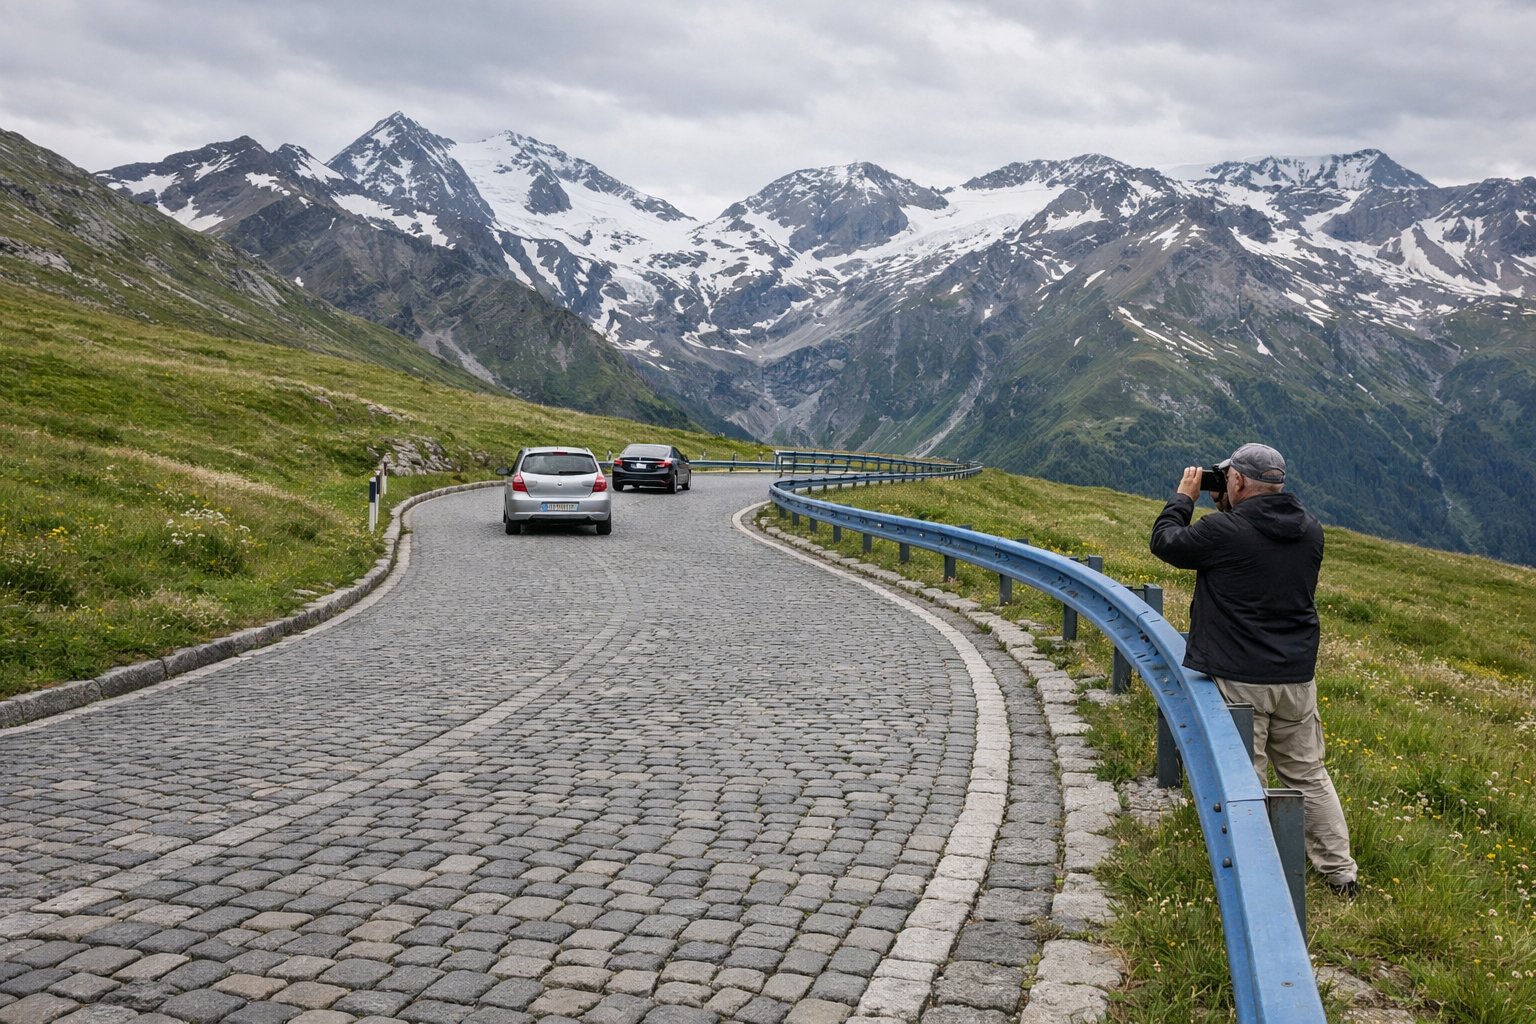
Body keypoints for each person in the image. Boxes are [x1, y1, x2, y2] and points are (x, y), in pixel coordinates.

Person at [1149, 442, 1359, 898]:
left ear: (1239, 481)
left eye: (1227, 480)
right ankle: (1341, 874)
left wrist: (1185, 496)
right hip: (1296, 678)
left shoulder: (1224, 530)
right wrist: (1226, 500)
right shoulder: (1310, 530)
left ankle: (1258, 876)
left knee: (1247, 777)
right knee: (1308, 775)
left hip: (1240, 677)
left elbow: (1165, 542)